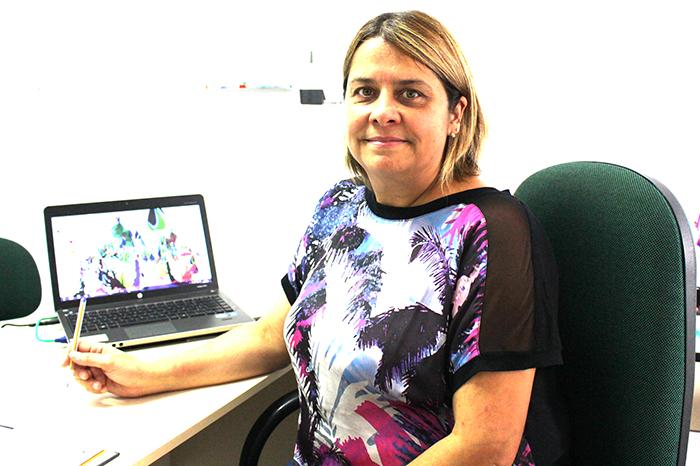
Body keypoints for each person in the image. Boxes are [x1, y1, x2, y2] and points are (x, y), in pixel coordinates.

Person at [65, 10, 570, 465]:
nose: (382, 111)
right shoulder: (340, 206)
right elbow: (271, 335)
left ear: (456, 113)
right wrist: (142, 372)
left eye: (410, 93)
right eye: (365, 92)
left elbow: (485, 446)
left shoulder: (493, 231)